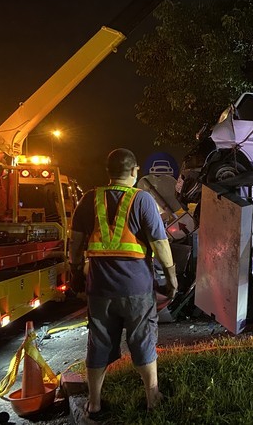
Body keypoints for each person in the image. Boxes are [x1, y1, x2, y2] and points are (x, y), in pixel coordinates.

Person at [69, 148, 178, 419]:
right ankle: (153, 397)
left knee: (98, 342)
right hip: (136, 289)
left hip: (99, 290)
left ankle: (94, 404)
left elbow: (75, 241)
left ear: (109, 173)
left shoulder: (88, 200)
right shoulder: (143, 201)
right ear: (134, 170)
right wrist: (171, 276)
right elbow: (160, 243)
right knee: (142, 339)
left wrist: (73, 270)